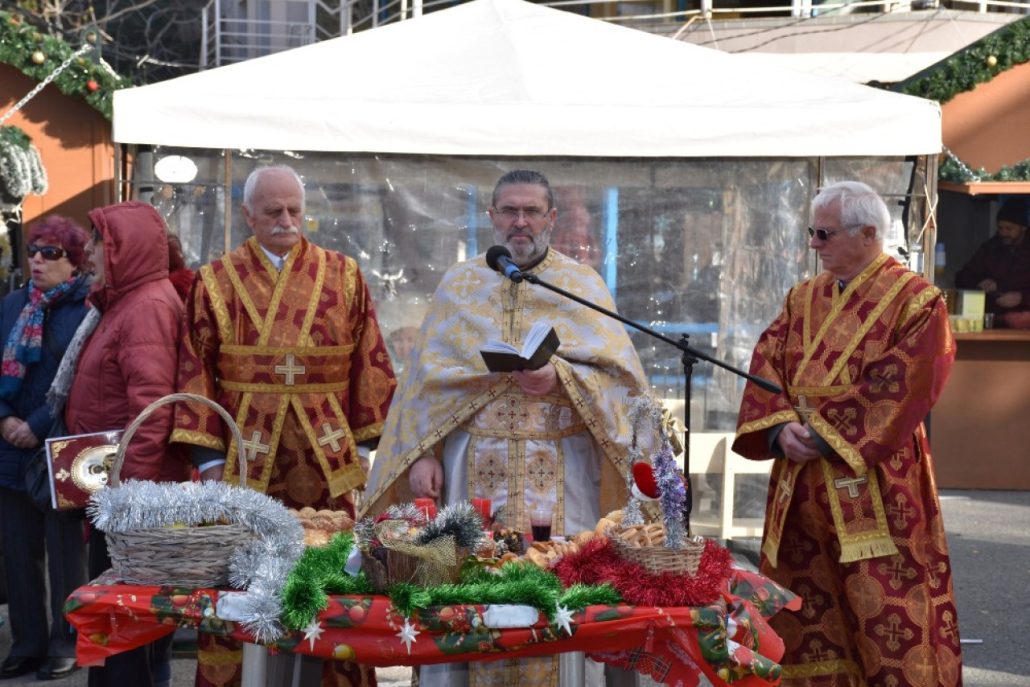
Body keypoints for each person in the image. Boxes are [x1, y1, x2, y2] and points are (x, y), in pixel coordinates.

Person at [364, 169, 649, 687]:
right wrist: (424, 453)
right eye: (510, 211)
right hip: (471, 471)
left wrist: (560, 374)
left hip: (563, 475)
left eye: (532, 211)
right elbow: (427, 384)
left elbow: (620, 379)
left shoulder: (581, 286)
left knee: (561, 594)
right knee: (467, 593)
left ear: (552, 218)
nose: (521, 222)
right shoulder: (461, 285)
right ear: (492, 216)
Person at [171, 165, 397, 687]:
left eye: (294, 209)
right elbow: (194, 367)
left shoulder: (344, 274)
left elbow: (370, 360)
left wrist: (368, 448)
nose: (286, 220)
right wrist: (207, 461)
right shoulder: (214, 280)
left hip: (330, 460)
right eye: (273, 211)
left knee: (336, 584)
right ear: (247, 214)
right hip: (242, 463)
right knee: (244, 583)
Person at [732, 181, 962, 687]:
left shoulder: (917, 301)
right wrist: (780, 429)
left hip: (877, 486)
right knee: (802, 610)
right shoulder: (802, 298)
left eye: (825, 233)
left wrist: (824, 431)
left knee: (887, 616)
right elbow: (767, 361)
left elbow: (907, 381)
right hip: (799, 487)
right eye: (812, 232)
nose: (814, 243)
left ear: (869, 234)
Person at [56, 202, 193, 687]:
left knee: (128, 635)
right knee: (127, 636)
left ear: (122, 248)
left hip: (132, 500)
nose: (88, 252)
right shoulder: (129, 300)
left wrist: (125, 499)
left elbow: (152, 412)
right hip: (119, 491)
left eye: (97, 242)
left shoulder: (147, 306)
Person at [0, 216, 90, 680]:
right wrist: (5, 419)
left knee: (65, 553)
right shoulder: (12, 304)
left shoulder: (88, 310)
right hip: (10, 446)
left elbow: (78, 384)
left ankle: (66, 641)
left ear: (73, 262)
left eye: (51, 252)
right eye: (34, 250)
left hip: (62, 444)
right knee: (17, 552)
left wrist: (35, 425)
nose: (37, 258)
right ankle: (28, 641)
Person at [954, 196, 1030, 329]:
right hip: (991, 320)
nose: (1004, 233)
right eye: (1000, 228)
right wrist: (980, 282)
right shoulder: (990, 249)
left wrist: (1021, 297)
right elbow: (961, 277)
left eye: (1009, 228)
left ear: (1023, 228)